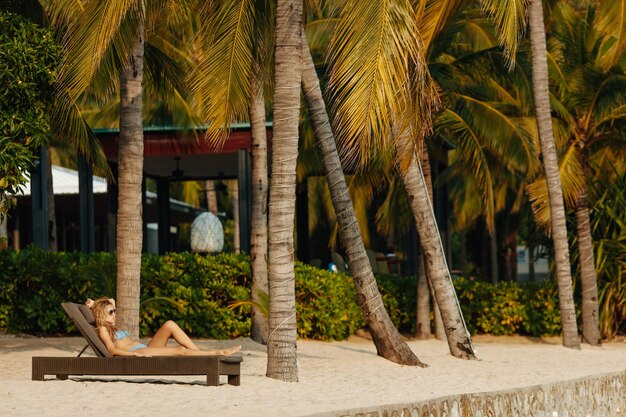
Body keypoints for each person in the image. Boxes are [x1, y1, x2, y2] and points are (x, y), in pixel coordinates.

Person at [86, 297, 241, 357]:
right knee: (179, 350)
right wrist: (135, 355)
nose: (114, 313)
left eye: (114, 311)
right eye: (111, 312)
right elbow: (112, 351)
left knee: (170, 324)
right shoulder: (103, 329)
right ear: (101, 315)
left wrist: (95, 304)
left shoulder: (110, 325)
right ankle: (218, 352)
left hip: (144, 347)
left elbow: (110, 300)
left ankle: (199, 352)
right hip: (138, 352)